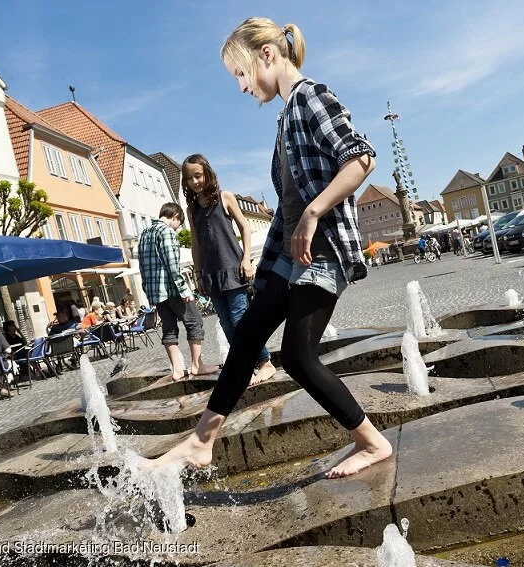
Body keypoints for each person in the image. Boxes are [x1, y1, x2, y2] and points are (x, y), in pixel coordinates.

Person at [140, 17, 392, 479]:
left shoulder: (311, 97)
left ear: (267, 56)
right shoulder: (286, 113)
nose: (240, 87)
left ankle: (373, 443)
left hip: (323, 250)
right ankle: (201, 442)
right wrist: (264, 253)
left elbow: (361, 158)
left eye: (240, 73)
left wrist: (315, 213)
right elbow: (289, 201)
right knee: (249, 334)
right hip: (288, 253)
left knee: (298, 357)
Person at [182, 154, 277, 385]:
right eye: (189, 178)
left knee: (240, 320)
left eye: (198, 175)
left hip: (233, 268)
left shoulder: (225, 197)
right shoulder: (191, 210)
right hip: (211, 275)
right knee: (226, 324)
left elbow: (245, 228)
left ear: (207, 173)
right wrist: (198, 274)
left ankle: (265, 362)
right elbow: (196, 244)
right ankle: (246, 366)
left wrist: (246, 259)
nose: (195, 181)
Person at [138, 202, 219, 381]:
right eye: (179, 223)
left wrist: (148, 291)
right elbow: (172, 265)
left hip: (156, 293)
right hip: (172, 290)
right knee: (195, 321)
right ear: (174, 216)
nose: (177, 228)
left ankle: (176, 370)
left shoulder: (143, 234)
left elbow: (142, 266)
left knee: (169, 328)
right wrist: (184, 290)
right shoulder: (166, 232)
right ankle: (197, 366)